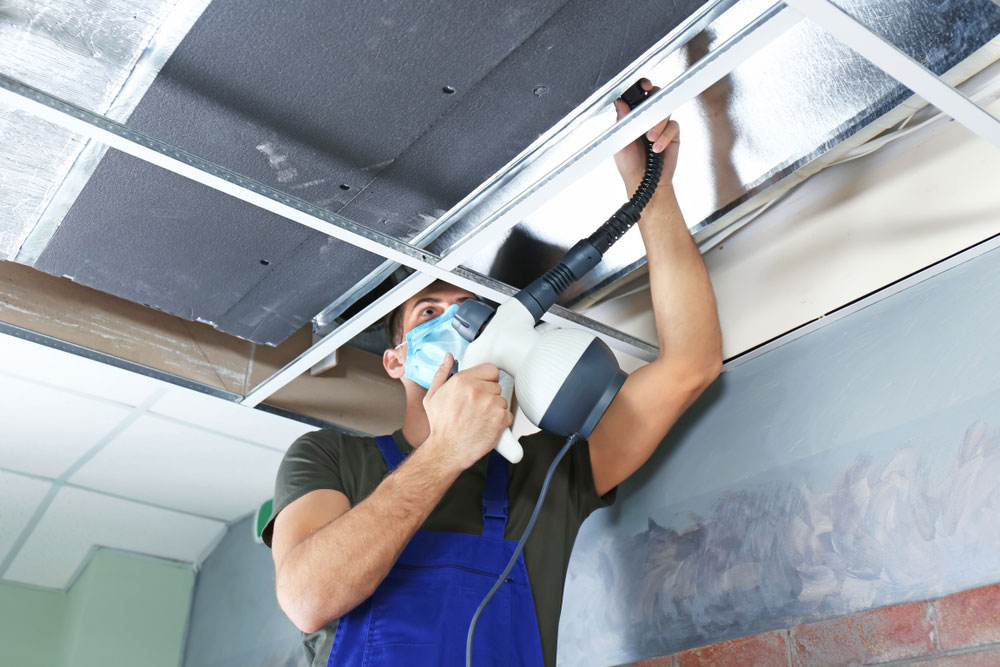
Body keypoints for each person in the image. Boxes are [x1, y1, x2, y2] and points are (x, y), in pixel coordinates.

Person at [262, 79, 722, 667]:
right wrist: (444, 452)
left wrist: (649, 187)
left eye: (471, 309)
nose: (458, 323)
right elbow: (308, 599)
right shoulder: (329, 457)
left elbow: (690, 365)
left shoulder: (548, 469)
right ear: (396, 359)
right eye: (429, 312)